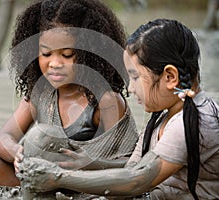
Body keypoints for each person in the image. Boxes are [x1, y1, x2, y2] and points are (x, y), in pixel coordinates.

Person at [0, 0, 139, 198]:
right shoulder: (40, 92)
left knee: (46, 137)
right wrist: (16, 151)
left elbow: (133, 167)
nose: (54, 63)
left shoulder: (106, 101)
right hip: (34, 178)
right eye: (46, 54)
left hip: (80, 187)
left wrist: (87, 165)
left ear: (89, 52)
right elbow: (2, 138)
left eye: (66, 55)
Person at [18, 19, 219, 200]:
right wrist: (91, 163)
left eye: (135, 77)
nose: (130, 88)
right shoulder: (164, 117)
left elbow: (138, 180)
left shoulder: (193, 120)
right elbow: (135, 167)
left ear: (169, 77)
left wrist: (58, 177)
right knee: (43, 141)